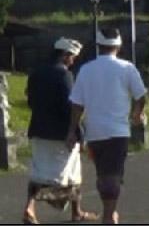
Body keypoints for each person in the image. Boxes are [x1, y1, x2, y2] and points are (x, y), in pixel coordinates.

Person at [67, 28, 147, 225]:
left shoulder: (86, 69)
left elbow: (77, 104)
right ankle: (109, 215)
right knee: (114, 174)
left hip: (94, 132)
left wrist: (72, 130)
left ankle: (109, 212)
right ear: (118, 46)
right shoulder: (127, 68)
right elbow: (141, 95)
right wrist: (137, 113)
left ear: (99, 46)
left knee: (103, 172)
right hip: (118, 131)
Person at [22, 38, 97, 225]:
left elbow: (30, 101)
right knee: (69, 174)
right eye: (72, 57)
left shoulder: (36, 73)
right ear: (65, 55)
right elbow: (70, 107)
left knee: (40, 172)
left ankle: (31, 207)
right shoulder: (64, 76)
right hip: (61, 134)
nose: (73, 61)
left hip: (39, 130)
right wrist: (77, 132)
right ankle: (71, 210)